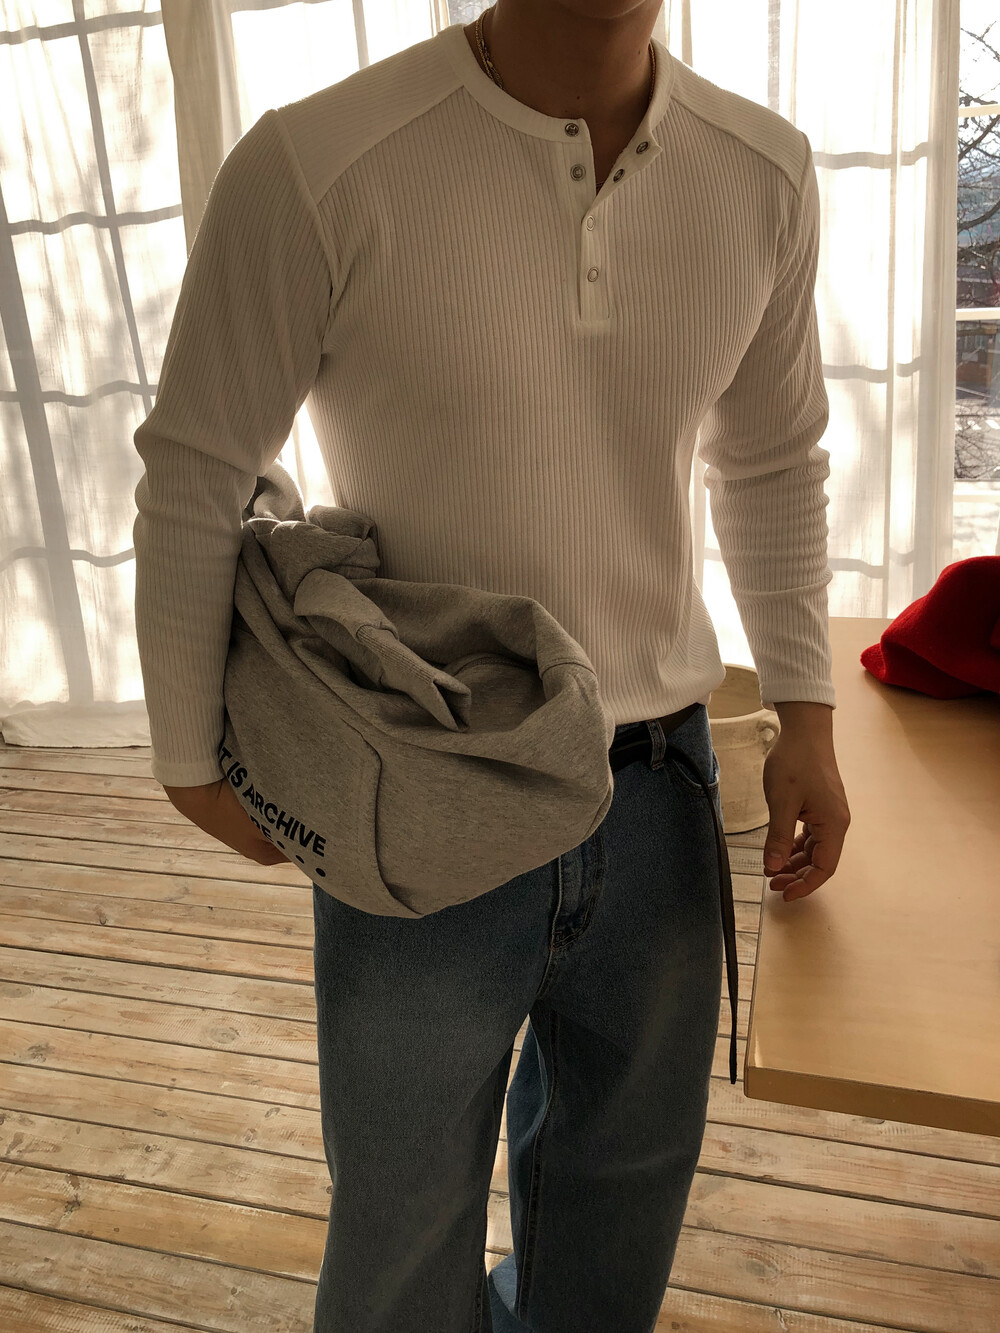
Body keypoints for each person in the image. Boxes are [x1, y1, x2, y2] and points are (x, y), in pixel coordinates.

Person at [133, 2, 847, 1329]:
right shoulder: (319, 163)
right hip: (418, 789)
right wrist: (189, 759)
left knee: (619, 1200)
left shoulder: (763, 174)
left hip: (661, 788)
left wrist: (805, 707)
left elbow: (769, 457)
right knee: (401, 1232)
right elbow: (197, 466)